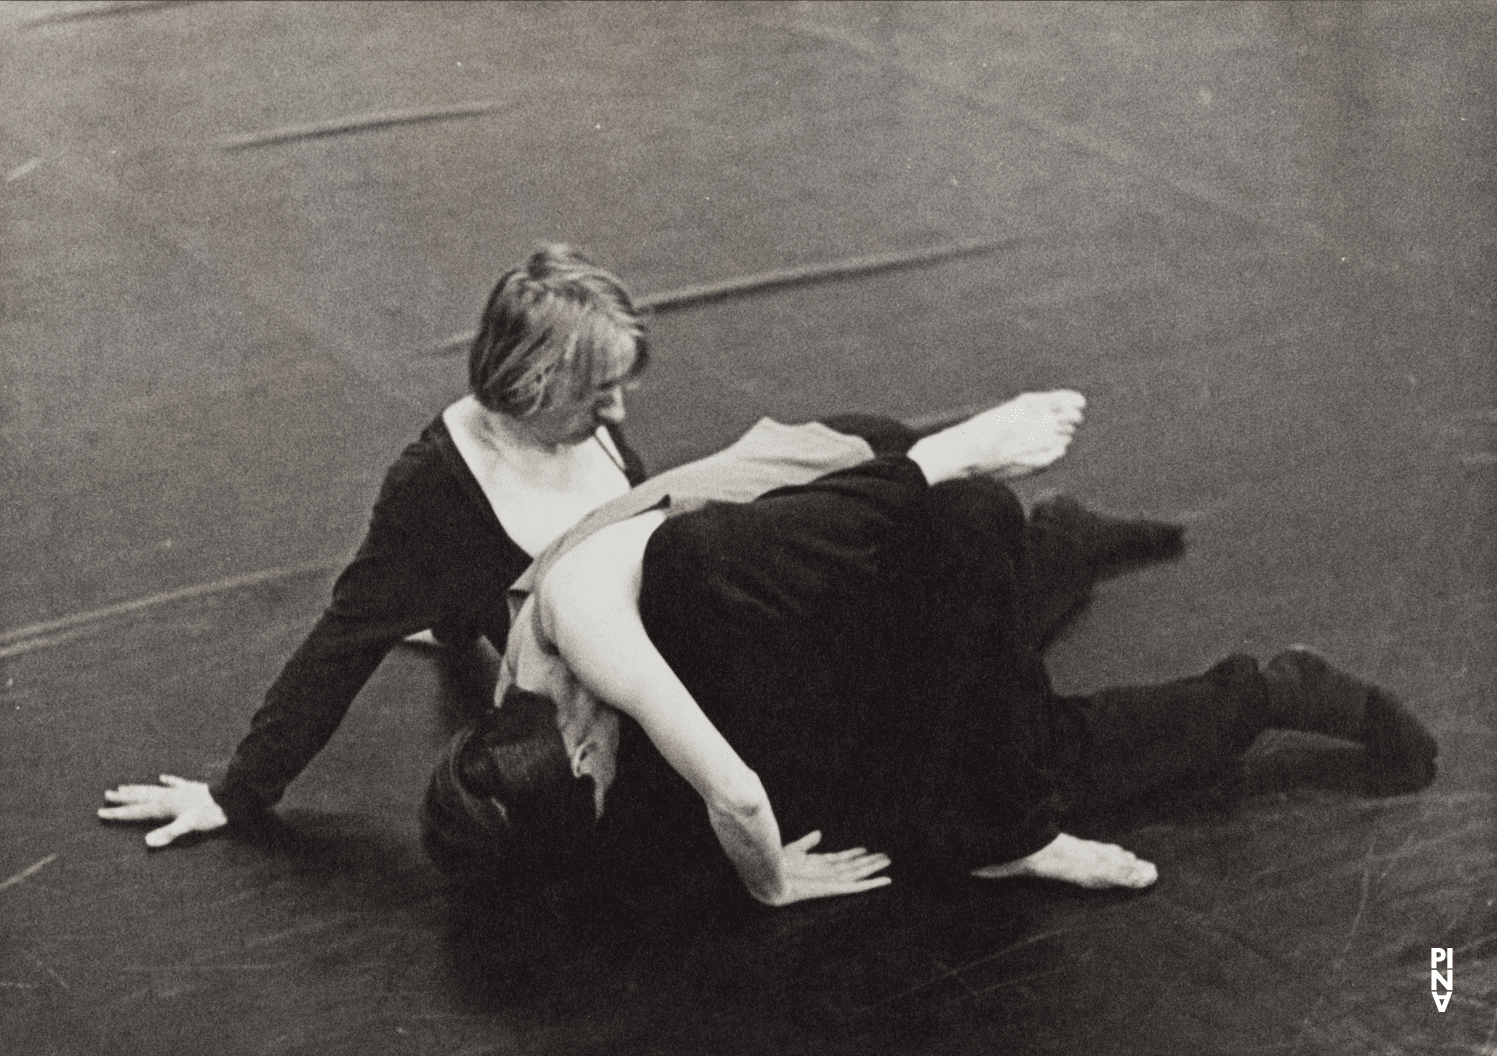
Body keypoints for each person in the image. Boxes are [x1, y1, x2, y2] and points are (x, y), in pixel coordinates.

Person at [97, 244, 982, 847]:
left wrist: (451, 624)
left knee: (887, 476)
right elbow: (341, 643)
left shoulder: (574, 425)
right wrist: (235, 794)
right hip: (648, 685)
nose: (619, 418)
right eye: (599, 396)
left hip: (684, 618)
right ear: (530, 384)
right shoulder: (433, 491)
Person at [420, 395, 1440, 906]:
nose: (596, 762)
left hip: (870, 501)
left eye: (588, 756)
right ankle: (1066, 541)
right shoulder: (552, 746)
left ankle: (1269, 690)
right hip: (839, 542)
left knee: (1012, 764)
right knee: (956, 725)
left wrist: (778, 880)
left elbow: (734, 792)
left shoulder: (603, 614)